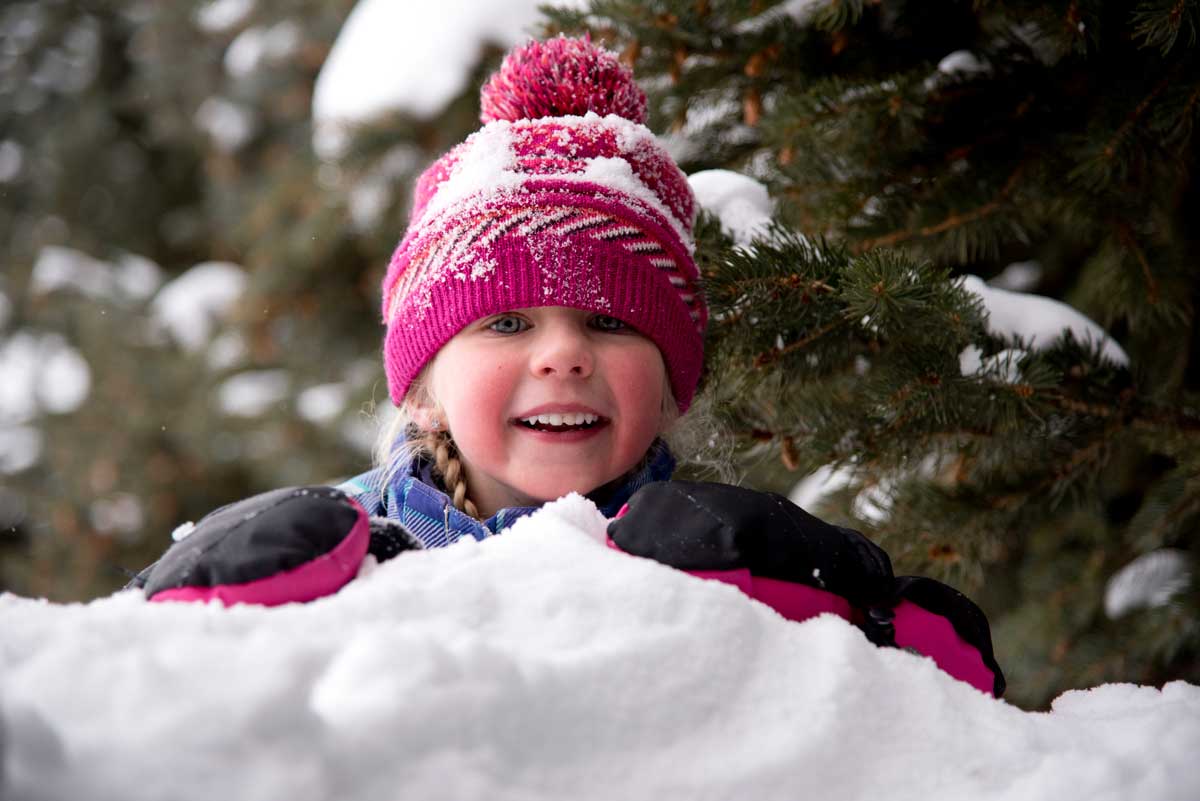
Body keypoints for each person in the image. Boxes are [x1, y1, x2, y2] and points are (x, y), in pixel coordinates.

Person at [132, 36, 1004, 697]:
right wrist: (166, 610)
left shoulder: (729, 563)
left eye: (609, 321)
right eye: (507, 320)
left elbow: (948, 727)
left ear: (669, 389)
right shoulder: (335, 560)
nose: (563, 354)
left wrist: (868, 613)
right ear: (426, 388)